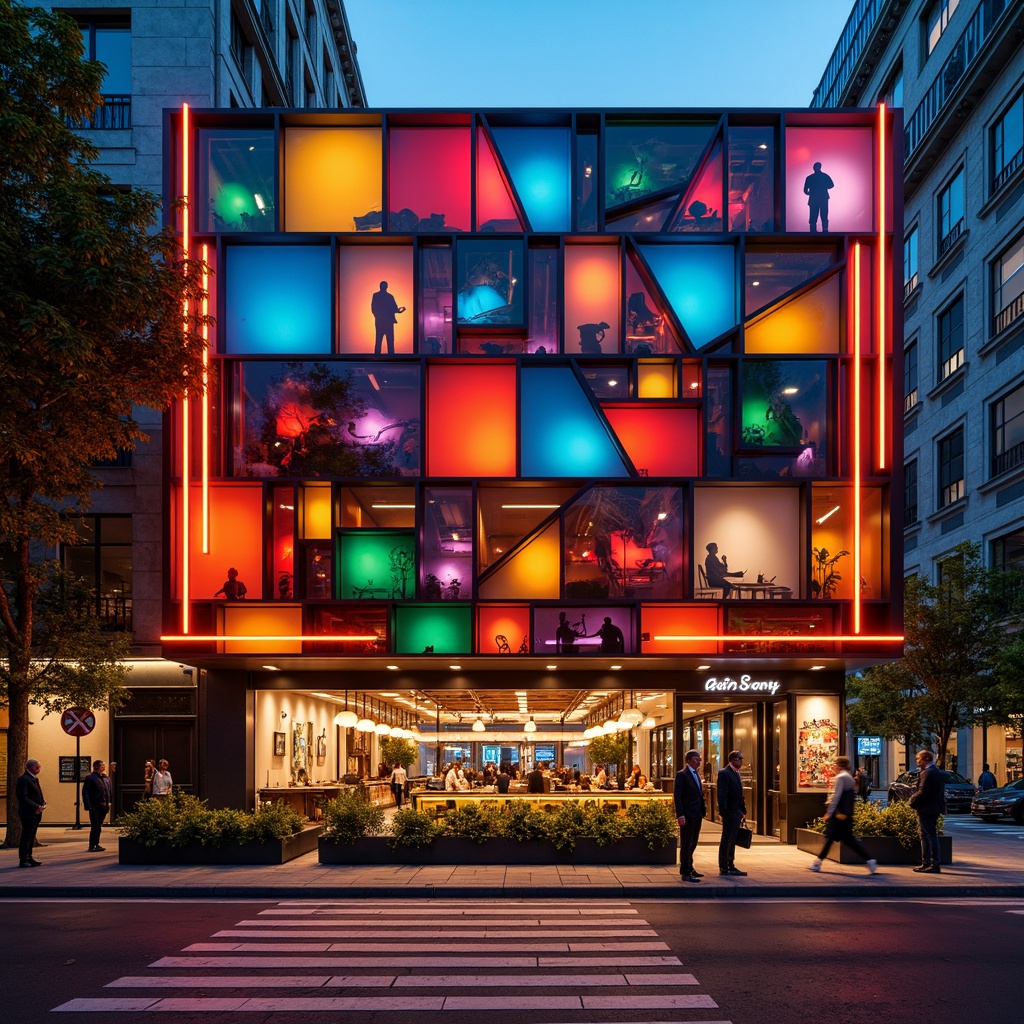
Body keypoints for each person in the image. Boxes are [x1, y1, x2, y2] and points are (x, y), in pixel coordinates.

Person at [808, 756, 878, 874]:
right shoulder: (848, 777)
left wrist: (829, 812)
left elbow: (836, 796)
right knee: (848, 839)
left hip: (838, 815)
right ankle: (870, 861)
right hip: (845, 814)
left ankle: (817, 863)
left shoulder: (841, 777)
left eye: (835, 764)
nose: (833, 767)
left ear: (839, 765)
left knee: (831, 838)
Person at [909, 749, 945, 873]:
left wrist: (912, 801)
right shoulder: (935, 772)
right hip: (933, 808)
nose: (918, 762)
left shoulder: (928, 773)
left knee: (928, 835)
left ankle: (931, 863)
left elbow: (922, 792)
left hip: (926, 809)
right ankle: (929, 863)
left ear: (926, 759)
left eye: (919, 759)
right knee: (929, 835)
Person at [674, 749, 706, 882]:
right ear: (689, 760)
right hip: (687, 814)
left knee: (693, 842)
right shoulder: (682, 775)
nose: (700, 761)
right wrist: (680, 814)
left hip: (697, 813)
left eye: (699, 759)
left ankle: (690, 866)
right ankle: (685, 871)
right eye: (697, 759)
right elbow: (678, 796)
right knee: (686, 843)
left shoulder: (696, 774)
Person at [717, 749, 748, 876]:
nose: (741, 761)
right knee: (727, 838)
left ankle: (730, 863)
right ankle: (725, 865)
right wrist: (725, 812)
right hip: (730, 811)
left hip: (736, 811)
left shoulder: (736, 773)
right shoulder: (725, 773)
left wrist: (742, 811)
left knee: (732, 838)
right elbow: (722, 794)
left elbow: (739, 793)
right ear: (734, 760)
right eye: (740, 759)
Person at [16, 759, 45, 868]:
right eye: (36, 766)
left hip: (37, 812)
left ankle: (29, 856)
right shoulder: (23, 779)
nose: (39, 768)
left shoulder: (34, 779)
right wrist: (35, 806)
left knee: (32, 835)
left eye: (39, 766)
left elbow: (38, 794)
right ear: (29, 768)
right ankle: (23, 859)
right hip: (28, 812)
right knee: (26, 836)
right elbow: (23, 797)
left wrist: (42, 803)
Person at [82, 759, 113, 853]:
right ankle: (92, 845)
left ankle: (97, 843)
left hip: (104, 805)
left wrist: (109, 802)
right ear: (96, 767)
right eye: (102, 765)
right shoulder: (90, 778)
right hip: (95, 805)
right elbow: (85, 792)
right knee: (95, 826)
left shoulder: (105, 778)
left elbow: (108, 791)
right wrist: (88, 805)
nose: (104, 767)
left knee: (99, 826)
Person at [370, 280, 405, 355]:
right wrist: (399, 311)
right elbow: (394, 309)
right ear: (387, 287)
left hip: (380, 322)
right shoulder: (389, 296)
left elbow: (373, 309)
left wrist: (378, 317)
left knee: (379, 340)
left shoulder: (376, 296)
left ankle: (377, 357)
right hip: (388, 322)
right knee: (389, 341)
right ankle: (390, 357)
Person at [803, 161, 834, 232]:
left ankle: (813, 231)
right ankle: (824, 230)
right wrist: (824, 187)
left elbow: (805, 190)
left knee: (814, 216)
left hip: (814, 199)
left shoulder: (809, 178)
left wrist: (809, 193)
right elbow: (831, 185)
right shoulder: (825, 176)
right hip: (823, 198)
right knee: (823, 215)